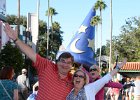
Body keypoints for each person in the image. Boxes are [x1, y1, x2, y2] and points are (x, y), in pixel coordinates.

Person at [4, 22, 74, 100]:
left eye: (68, 63)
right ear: (57, 62)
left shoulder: (73, 80)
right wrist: (16, 39)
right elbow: (31, 54)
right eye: (63, 61)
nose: (65, 65)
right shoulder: (47, 66)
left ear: (71, 66)